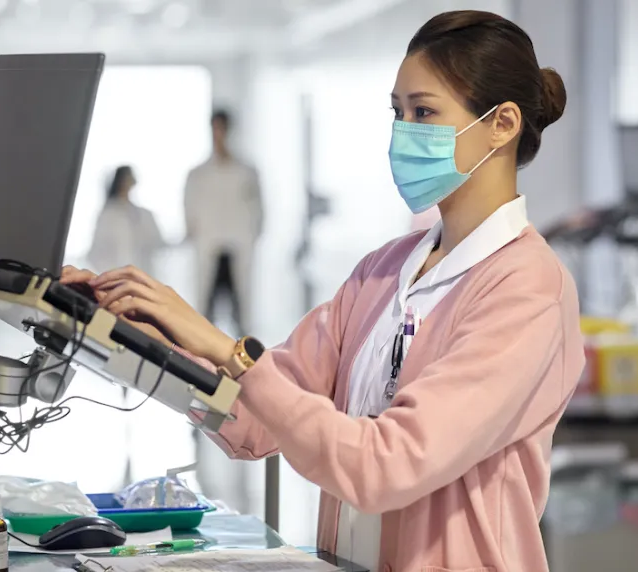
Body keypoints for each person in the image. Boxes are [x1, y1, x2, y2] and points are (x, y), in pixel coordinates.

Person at [64, 10, 583, 571]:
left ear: (502, 124)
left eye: (424, 112)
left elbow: (388, 466)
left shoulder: (527, 288)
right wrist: (121, 329)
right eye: (398, 112)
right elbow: (253, 419)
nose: (402, 132)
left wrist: (225, 347)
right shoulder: (382, 273)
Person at [183, 109, 264, 335]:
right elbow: (190, 213)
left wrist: (251, 234)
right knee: (205, 311)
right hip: (209, 244)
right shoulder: (198, 174)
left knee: (241, 311)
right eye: (215, 128)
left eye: (223, 128)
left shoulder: (247, 171)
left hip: (239, 244)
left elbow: (258, 209)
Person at [87, 166, 166, 275]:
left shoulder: (144, 214)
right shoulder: (108, 215)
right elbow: (96, 252)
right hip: (116, 276)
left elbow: (158, 244)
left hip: (143, 275)